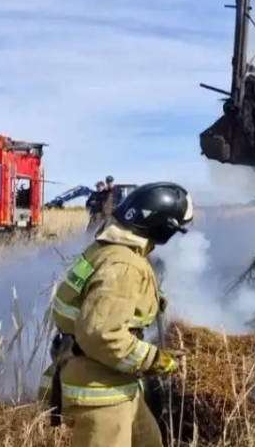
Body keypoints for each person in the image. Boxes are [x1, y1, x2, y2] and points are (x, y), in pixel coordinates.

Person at [40, 182, 194, 447]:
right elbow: (101, 335)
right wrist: (155, 360)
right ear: (163, 227)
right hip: (101, 392)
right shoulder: (123, 264)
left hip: (114, 380)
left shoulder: (105, 248)